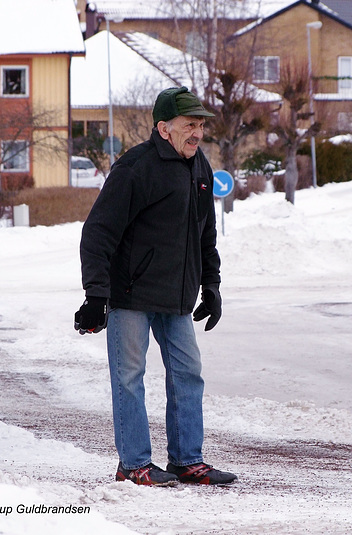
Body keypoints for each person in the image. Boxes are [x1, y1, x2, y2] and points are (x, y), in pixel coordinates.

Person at [75, 86, 237, 487]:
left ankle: (186, 460)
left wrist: (211, 286)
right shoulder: (136, 168)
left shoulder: (199, 166)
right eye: (189, 125)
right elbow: (98, 232)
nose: (197, 133)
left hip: (176, 297)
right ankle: (133, 464)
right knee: (129, 376)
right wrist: (96, 295)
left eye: (200, 125)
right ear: (164, 128)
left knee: (188, 373)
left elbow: (205, 234)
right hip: (130, 294)